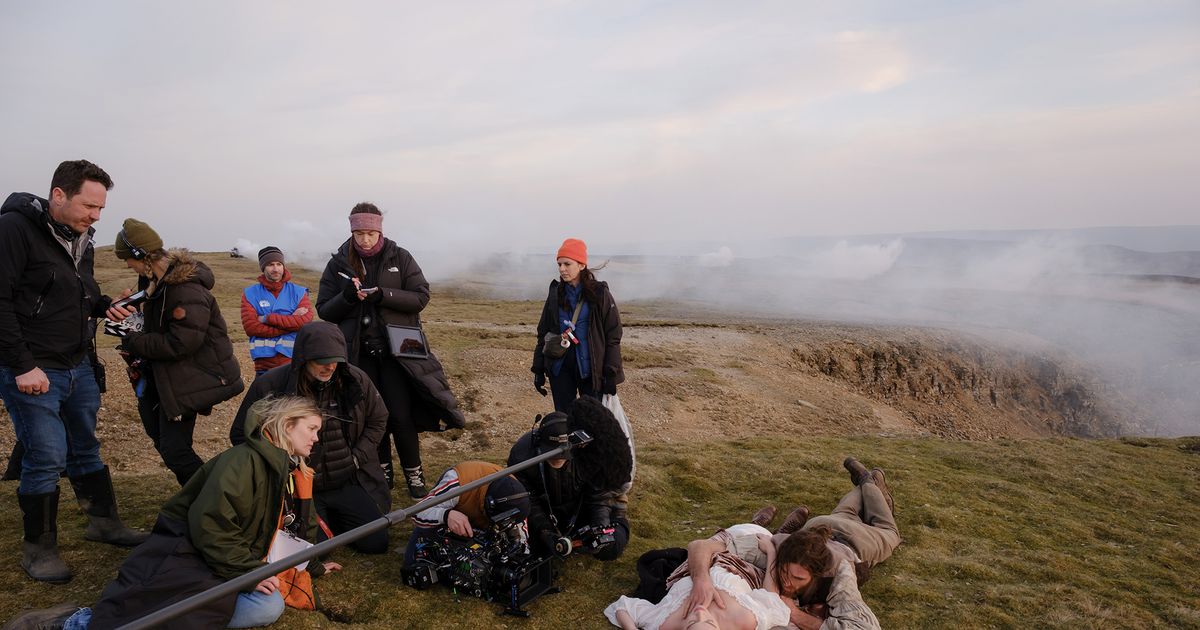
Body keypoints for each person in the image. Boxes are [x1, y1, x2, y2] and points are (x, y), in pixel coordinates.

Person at [4, 396, 343, 630]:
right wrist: (251, 572)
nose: (316, 438)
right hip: (190, 552)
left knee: (268, 606)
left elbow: (294, 529)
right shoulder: (243, 462)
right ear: (286, 425)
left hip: (232, 560)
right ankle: (77, 622)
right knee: (190, 607)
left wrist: (312, 565)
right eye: (311, 428)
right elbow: (210, 525)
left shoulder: (293, 472)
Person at [0, 160, 148, 584]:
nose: (96, 216)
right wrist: (23, 365)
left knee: (85, 446)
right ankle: (39, 550)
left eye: (101, 208)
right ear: (59, 195)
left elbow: (79, 292)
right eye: (89, 206)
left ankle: (104, 524)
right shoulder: (13, 229)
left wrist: (103, 305)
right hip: (32, 367)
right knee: (46, 454)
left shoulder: (80, 237)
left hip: (78, 363)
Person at [316, 202, 464, 499]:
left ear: (380, 230)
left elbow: (421, 297)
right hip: (358, 355)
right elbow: (324, 310)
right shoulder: (338, 264)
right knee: (372, 416)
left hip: (399, 354)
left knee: (400, 415)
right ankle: (382, 473)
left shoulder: (400, 256)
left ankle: (414, 474)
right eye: (359, 233)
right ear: (352, 231)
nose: (365, 240)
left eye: (370, 233)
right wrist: (347, 297)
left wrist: (384, 295)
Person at [230, 321, 391, 554]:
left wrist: (357, 457)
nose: (330, 367)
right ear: (304, 358)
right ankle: (323, 525)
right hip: (300, 488)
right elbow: (241, 434)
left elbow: (379, 419)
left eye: (336, 361)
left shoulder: (354, 379)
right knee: (316, 552)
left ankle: (333, 521)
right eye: (322, 362)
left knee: (376, 543)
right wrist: (281, 466)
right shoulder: (272, 385)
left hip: (346, 478)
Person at [682, 458, 897, 630]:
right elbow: (701, 545)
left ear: (816, 574)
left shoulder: (839, 574)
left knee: (888, 531)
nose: (787, 581)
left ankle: (868, 481)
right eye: (785, 571)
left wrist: (794, 614)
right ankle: (867, 483)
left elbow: (864, 627)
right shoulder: (778, 546)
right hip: (820, 526)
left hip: (858, 541)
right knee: (845, 513)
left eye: (798, 578)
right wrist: (701, 580)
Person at [110, 218, 243, 486]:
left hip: (189, 380)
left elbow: (181, 343)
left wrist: (132, 339)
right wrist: (129, 317)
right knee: (165, 444)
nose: (127, 265)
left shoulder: (185, 289)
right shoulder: (155, 284)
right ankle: (203, 499)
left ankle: (215, 498)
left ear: (142, 256)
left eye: (128, 259)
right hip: (164, 378)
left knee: (175, 451)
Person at [507, 396, 633, 561]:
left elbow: (598, 496)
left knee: (610, 547)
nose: (558, 459)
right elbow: (530, 501)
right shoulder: (522, 456)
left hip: (581, 509)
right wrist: (546, 533)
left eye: (564, 454)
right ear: (539, 443)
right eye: (552, 454)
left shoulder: (586, 453)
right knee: (535, 551)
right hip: (544, 513)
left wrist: (599, 528)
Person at [604, 523, 792, 630]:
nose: (700, 611)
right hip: (745, 564)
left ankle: (760, 521)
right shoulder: (746, 619)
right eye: (710, 621)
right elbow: (772, 598)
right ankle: (775, 529)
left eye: (692, 623)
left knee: (737, 533)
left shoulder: (664, 622)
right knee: (780, 542)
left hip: (711, 551)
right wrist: (771, 551)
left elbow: (622, 607)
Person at [531, 238, 624, 413]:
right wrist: (538, 368)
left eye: (567, 264)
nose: (562, 269)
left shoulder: (599, 294)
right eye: (559, 264)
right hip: (560, 369)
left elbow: (613, 335)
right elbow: (543, 332)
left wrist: (611, 373)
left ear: (581, 265)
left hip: (591, 371)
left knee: (591, 421)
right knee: (564, 419)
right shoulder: (555, 294)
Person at [403, 461, 532, 569]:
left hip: (480, 526)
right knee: (412, 563)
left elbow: (520, 528)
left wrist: (520, 555)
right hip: (450, 520)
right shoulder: (459, 481)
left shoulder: (516, 496)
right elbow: (417, 512)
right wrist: (446, 515)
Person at [241, 246, 314, 377]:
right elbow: (251, 328)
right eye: (270, 265)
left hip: (294, 362)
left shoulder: (299, 292)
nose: (275, 269)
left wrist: (267, 318)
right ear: (263, 268)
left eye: (279, 264)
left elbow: (305, 321)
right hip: (264, 366)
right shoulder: (250, 293)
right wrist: (291, 321)